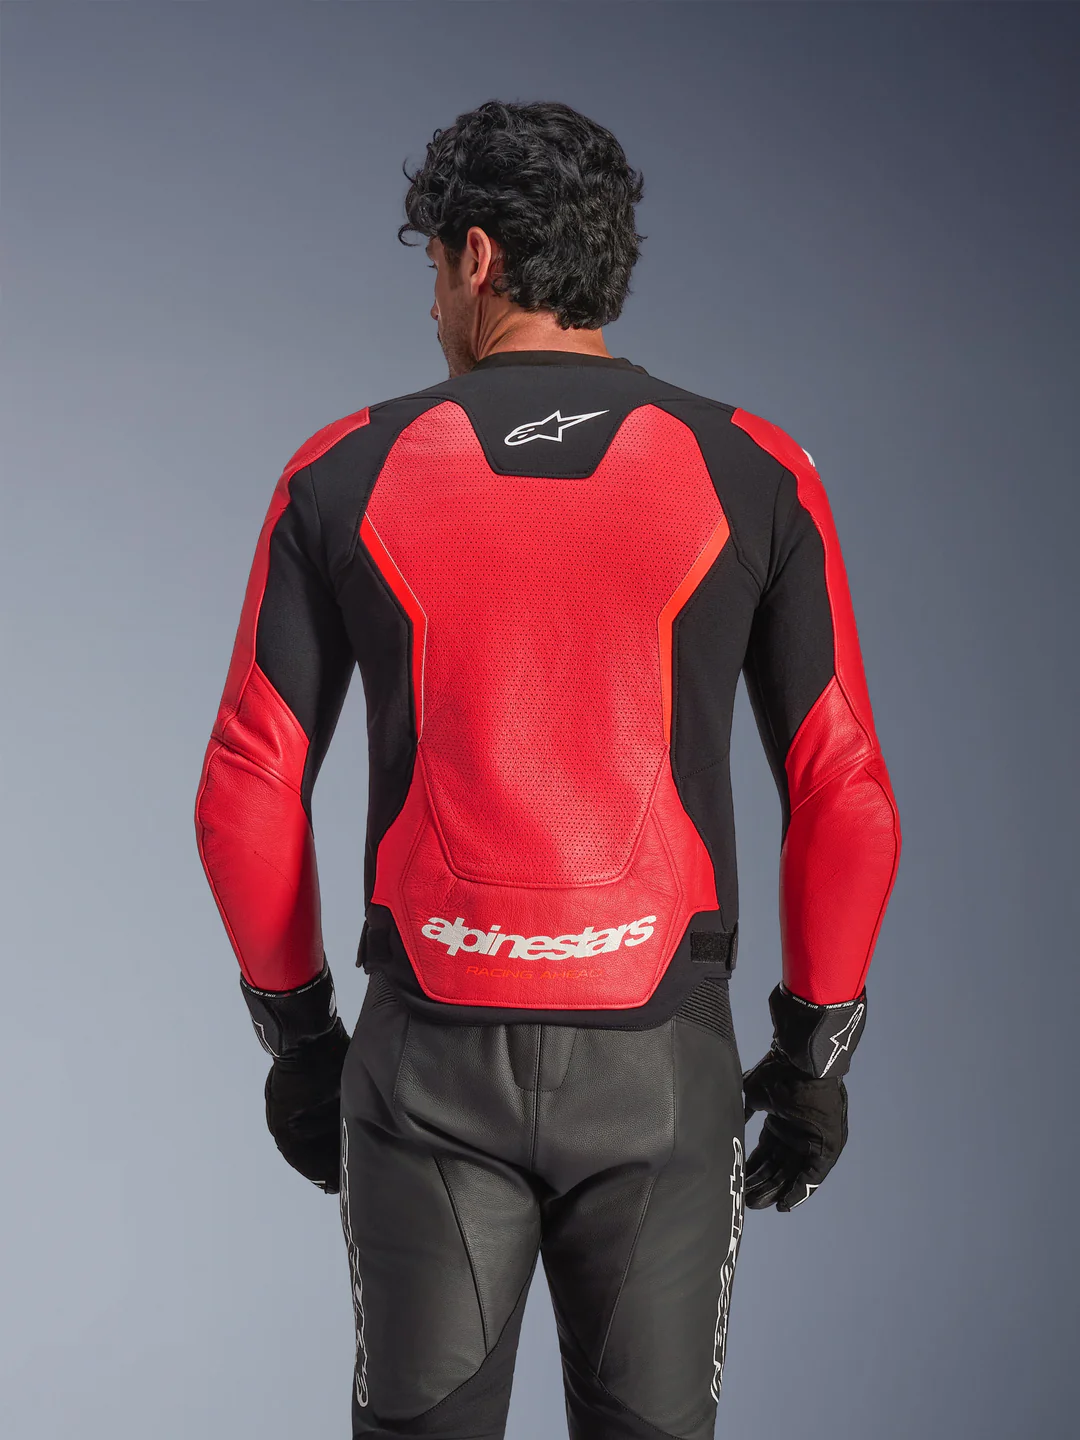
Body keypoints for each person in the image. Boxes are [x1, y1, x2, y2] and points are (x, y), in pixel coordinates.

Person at [194, 99, 902, 1440]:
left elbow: (246, 782)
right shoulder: (754, 468)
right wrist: (815, 1053)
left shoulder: (342, 471)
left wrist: (300, 1042)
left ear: (475, 258)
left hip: (428, 1055)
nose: (432, 306)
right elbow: (844, 792)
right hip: (662, 1057)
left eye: (432, 271)